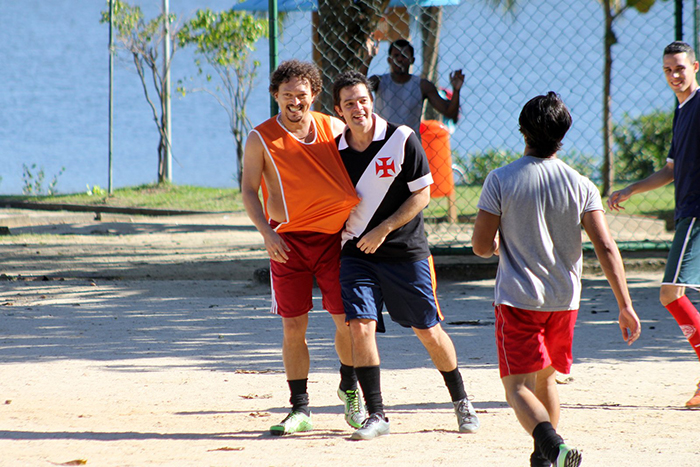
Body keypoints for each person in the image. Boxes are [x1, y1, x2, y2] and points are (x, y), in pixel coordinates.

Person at [471, 92, 641, 466]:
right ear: (563, 134)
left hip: (518, 300)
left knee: (516, 387)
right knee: (546, 380)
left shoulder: (501, 179)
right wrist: (625, 305)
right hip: (565, 301)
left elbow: (481, 246)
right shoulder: (581, 184)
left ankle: (553, 445)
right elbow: (607, 247)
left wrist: (500, 245)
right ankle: (544, 458)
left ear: (522, 131)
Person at [331, 70, 480, 440]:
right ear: (339, 109)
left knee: (428, 331)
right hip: (357, 253)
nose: (358, 108)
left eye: (363, 100)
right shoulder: (334, 150)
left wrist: (383, 229)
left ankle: (461, 400)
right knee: (360, 327)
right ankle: (376, 414)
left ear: (372, 101)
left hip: (405, 253)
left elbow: (422, 195)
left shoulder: (401, 139)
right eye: (349, 103)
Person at [241, 60, 365, 436]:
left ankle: (350, 388)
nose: (295, 101)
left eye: (302, 94)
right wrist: (266, 232)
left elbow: (366, 168)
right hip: (287, 242)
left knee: (347, 320)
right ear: (275, 96)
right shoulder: (260, 138)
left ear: (313, 94)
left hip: (334, 239)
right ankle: (299, 408)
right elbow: (247, 190)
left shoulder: (334, 128)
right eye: (287, 95)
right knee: (293, 325)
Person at [608, 41, 700, 408]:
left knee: (669, 293)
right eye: (668, 70)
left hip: (696, 214)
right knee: (674, 294)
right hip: (688, 211)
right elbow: (671, 170)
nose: (674, 75)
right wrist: (632, 189)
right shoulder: (682, 111)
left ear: (696, 66)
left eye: (680, 68)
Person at [368, 39, 464, 139]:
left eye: (404, 56)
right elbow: (358, 90)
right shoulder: (378, 81)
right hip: (383, 142)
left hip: (409, 144)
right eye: (396, 56)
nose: (400, 59)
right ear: (389, 60)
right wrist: (369, 58)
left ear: (412, 60)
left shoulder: (422, 85)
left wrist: (456, 90)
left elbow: (449, 112)